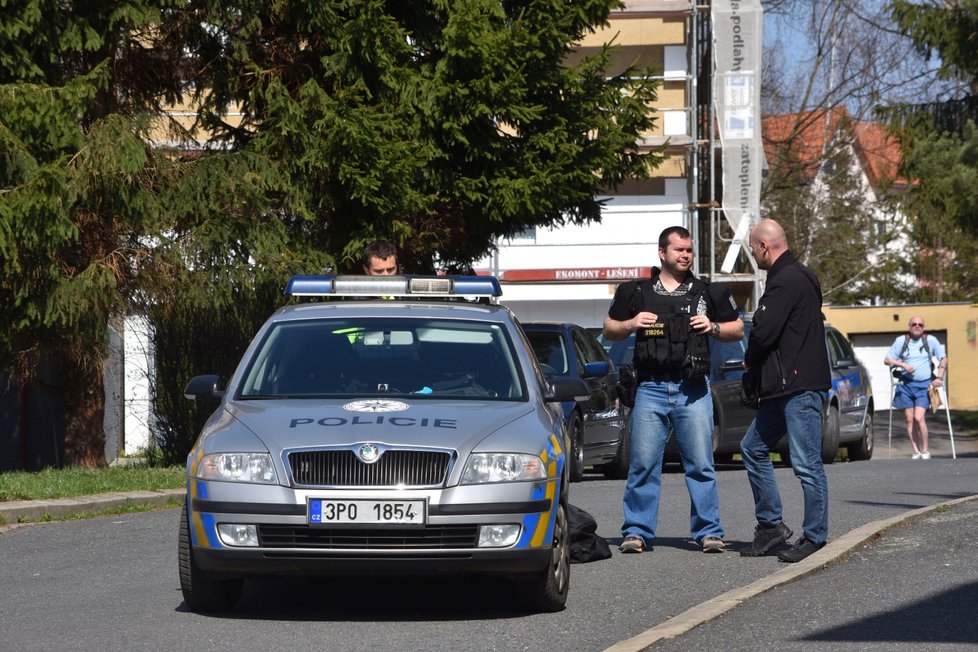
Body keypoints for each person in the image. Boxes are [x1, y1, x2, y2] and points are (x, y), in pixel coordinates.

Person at [603, 226, 744, 554]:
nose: (685, 255)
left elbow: (737, 329)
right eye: (679, 250)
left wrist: (714, 326)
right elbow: (610, 329)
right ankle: (637, 532)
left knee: (701, 463)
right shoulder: (635, 292)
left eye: (689, 250)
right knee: (643, 464)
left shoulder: (708, 292)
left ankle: (709, 532)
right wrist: (631, 323)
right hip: (650, 388)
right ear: (662, 253)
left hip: (692, 389)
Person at [739, 219, 831, 563]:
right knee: (752, 448)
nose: (753, 255)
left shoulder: (785, 280)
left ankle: (815, 536)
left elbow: (762, 332)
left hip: (798, 387)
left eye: (753, 249)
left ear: (765, 246)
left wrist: (749, 364)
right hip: (785, 387)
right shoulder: (801, 274)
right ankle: (771, 526)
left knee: (807, 463)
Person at [883, 317, 948, 460]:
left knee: (919, 417)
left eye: (920, 324)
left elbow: (943, 358)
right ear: (909, 326)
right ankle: (915, 450)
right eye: (914, 324)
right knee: (909, 419)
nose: (917, 326)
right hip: (905, 385)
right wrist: (903, 365)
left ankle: (925, 450)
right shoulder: (901, 341)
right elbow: (887, 360)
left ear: (924, 328)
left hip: (924, 386)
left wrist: (940, 377)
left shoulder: (930, 341)